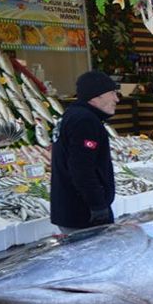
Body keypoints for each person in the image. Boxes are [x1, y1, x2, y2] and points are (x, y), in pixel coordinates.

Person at [51, 70, 119, 233]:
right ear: (96, 96)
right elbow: (81, 168)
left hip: (71, 210)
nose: (117, 99)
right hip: (83, 215)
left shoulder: (72, 115)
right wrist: (98, 206)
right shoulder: (85, 121)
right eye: (112, 93)